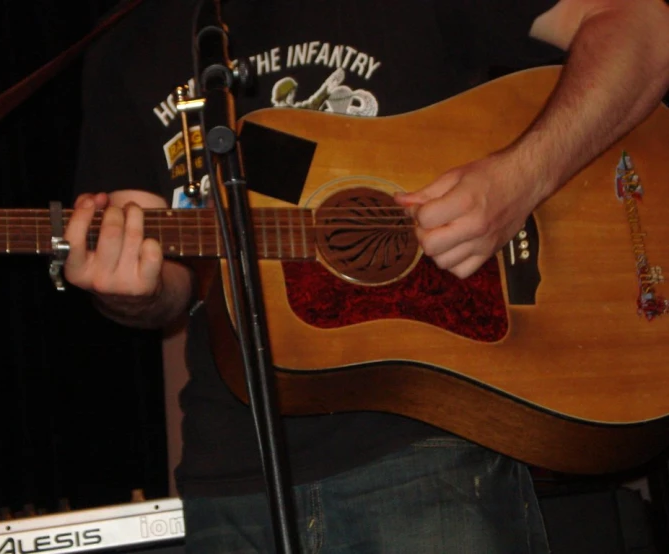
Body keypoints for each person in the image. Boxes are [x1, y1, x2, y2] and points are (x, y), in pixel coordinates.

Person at [64, 0, 669, 551]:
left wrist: (520, 179)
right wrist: (129, 292)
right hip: (233, 474)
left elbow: (644, 25)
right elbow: (166, 277)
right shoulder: (126, 38)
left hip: (430, 446)